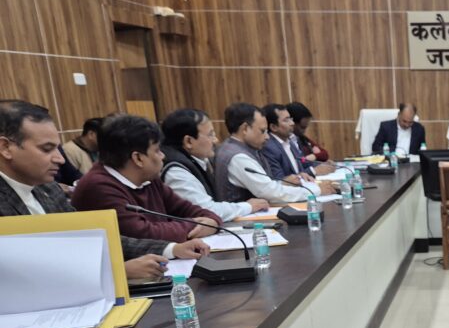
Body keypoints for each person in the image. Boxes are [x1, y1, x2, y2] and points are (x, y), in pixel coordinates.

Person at [0, 101, 207, 280]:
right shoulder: (95, 185)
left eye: (58, 148)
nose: (60, 159)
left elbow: (90, 238)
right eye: (47, 149)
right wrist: (117, 271)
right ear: (5, 148)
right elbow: (21, 274)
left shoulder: (47, 188)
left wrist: (171, 249)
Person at [72, 114, 223, 243]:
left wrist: (212, 220)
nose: (163, 156)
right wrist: (196, 225)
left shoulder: (148, 178)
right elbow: (142, 234)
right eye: (157, 151)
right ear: (138, 158)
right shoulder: (99, 187)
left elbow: (189, 209)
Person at [160, 108, 268, 223]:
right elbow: (207, 211)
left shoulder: (197, 160)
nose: (215, 140)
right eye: (210, 135)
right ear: (189, 141)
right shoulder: (176, 172)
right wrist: (248, 206)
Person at [214, 103, 333, 204]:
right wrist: (316, 190)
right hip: (245, 220)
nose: (267, 137)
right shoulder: (238, 157)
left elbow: (266, 186)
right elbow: (271, 193)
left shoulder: (235, 148)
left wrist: (282, 182)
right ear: (245, 128)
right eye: (262, 131)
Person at [261, 103, 333, 181]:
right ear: (274, 127)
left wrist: (322, 164)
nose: (292, 123)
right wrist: (313, 171)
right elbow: (280, 180)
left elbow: (303, 162)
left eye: (291, 119)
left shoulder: (290, 141)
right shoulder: (269, 148)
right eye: (286, 120)